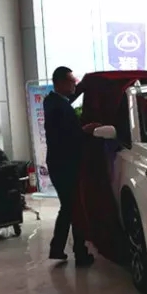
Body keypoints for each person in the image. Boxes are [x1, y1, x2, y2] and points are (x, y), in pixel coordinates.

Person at [44, 66, 101, 266]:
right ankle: (79, 252)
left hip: (60, 163)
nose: (74, 85)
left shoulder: (54, 102)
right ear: (60, 82)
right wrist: (85, 130)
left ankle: (58, 248)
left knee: (68, 208)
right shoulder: (58, 106)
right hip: (65, 165)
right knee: (75, 208)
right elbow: (66, 137)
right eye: (71, 81)